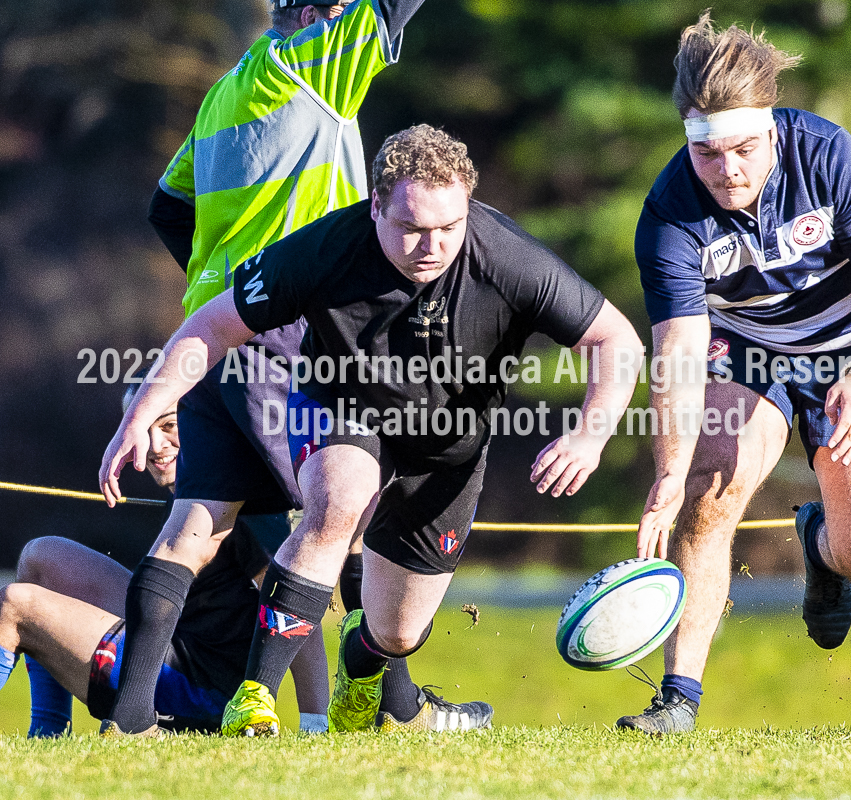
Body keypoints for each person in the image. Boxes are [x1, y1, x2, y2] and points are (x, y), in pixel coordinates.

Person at [101, 124, 644, 735]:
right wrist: (143, 408)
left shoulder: (507, 258)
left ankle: (365, 672)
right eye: (411, 229)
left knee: (398, 629)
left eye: (448, 228)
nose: (431, 246)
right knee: (336, 505)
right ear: (376, 205)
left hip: (449, 444)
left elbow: (615, 339)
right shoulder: (325, 248)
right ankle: (252, 698)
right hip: (342, 404)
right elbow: (213, 325)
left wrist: (590, 434)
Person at [102, 0, 430, 736]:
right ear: (313, 12)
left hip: (216, 333)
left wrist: (226, 281)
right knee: (352, 506)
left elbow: (167, 206)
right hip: (288, 333)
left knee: (196, 525)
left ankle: (130, 721)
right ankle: (394, 709)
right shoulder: (312, 62)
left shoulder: (228, 89)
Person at [617, 12, 851, 735]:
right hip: (745, 352)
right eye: (710, 154)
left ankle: (822, 541)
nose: (729, 170)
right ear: (688, 139)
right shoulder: (669, 214)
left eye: (746, 149)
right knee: (707, 492)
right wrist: (670, 467)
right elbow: (680, 351)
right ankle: (678, 702)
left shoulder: (829, 155)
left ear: (772, 131)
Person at [1, 393, 328, 736]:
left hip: (200, 694)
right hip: (176, 641)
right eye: (142, 428)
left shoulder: (239, 498)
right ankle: (48, 732)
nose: (156, 445)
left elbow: (291, 605)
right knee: (41, 557)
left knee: (13, 605)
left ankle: (123, 720)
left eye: (170, 425)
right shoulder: (192, 484)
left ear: (202, 419)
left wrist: (314, 723)